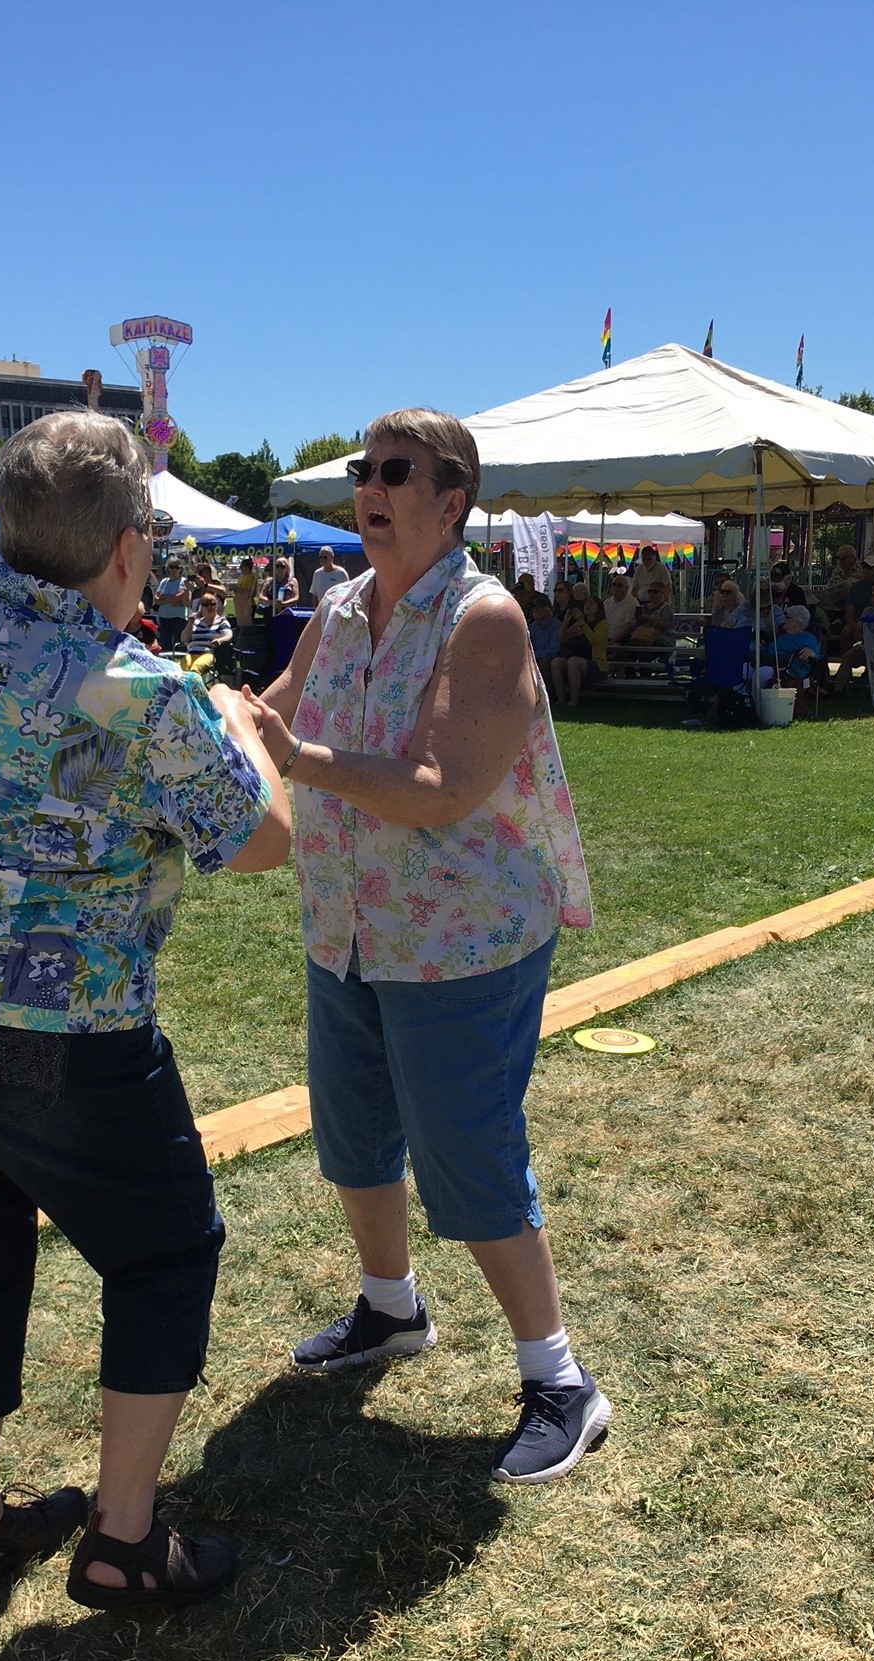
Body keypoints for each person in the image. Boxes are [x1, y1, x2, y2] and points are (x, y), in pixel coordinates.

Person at [0, 409, 291, 1609]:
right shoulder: (142, 690)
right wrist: (241, 730)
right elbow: (265, 842)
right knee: (165, 1248)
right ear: (130, 544)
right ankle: (125, 1540)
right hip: (39, 1024)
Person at [244, 407, 609, 1487]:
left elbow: (442, 788)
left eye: (394, 471)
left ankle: (561, 1382)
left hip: (466, 940)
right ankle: (391, 1309)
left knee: (467, 1154)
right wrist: (195, 727)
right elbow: (265, 716)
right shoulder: (340, 611)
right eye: (362, 469)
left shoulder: (482, 616)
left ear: (452, 501)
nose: (369, 485)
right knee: (354, 1136)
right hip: (350, 926)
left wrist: (297, 757)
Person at [550, 591, 608, 707]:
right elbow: (563, 638)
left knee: (573, 661)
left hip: (596, 665)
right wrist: (566, 623)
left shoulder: (603, 624)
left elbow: (594, 640)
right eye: (586, 603)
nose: (587, 606)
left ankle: (574, 699)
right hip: (578, 662)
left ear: (598, 608)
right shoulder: (580, 624)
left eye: (591, 604)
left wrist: (582, 623)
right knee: (556, 662)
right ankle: (560, 698)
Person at [772, 604, 822, 715]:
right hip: (773, 665)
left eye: (788, 617)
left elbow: (818, 656)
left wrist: (812, 653)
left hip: (796, 668)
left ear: (797, 622)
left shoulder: (808, 638)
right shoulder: (780, 638)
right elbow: (769, 652)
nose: (784, 619)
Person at [181, 588, 234, 675]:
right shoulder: (196, 622)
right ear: (201, 608)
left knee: (195, 669)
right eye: (205, 605)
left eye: (212, 604)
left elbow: (228, 635)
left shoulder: (221, 621)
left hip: (208, 654)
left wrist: (219, 641)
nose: (209, 607)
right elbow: (183, 639)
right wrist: (189, 624)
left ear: (216, 606)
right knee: (182, 669)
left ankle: (196, 688)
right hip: (191, 653)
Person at [629, 577, 676, 654]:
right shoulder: (643, 607)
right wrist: (637, 619)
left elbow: (667, 625)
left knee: (643, 652)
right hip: (642, 638)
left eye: (655, 591)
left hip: (661, 640)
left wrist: (648, 618)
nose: (651, 594)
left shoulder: (667, 608)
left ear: (662, 593)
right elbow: (634, 625)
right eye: (650, 591)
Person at [155, 556, 189, 650]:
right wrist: (171, 600)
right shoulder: (164, 581)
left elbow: (177, 598)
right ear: (168, 568)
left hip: (178, 617)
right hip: (164, 617)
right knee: (166, 644)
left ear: (181, 569)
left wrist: (163, 597)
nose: (174, 570)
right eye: (171, 567)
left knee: (178, 644)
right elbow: (156, 599)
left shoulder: (183, 581)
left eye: (177, 567)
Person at [820, 543, 861, 615]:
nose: (841, 561)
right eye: (838, 558)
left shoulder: (862, 569)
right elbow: (829, 586)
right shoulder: (838, 569)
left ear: (852, 557)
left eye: (843, 558)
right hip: (836, 607)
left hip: (855, 608)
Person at [526, 591, 561, 674]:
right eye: (533, 608)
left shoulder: (557, 626)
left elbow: (554, 650)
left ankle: (547, 687)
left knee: (544, 662)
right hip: (535, 658)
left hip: (550, 660)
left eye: (538, 608)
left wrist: (534, 655)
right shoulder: (532, 627)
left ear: (548, 609)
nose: (534, 611)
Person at [603, 567, 639, 644]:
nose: (615, 587)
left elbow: (628, 627)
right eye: (613, 584)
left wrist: (612, 642)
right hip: (603, 638)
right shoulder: (607, 602)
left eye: (619, 585)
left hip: (621, 640)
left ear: (626, 588)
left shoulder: (632, 603)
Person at [229, 557, 258, 630]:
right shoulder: (242, 577)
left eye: (241, 566)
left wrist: (237, 588)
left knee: (247, 627)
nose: (240, 568)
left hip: (249, 604)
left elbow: (251, 593)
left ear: (247, 567)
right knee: (241, 625)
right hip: (240, 603)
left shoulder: (251, 578)